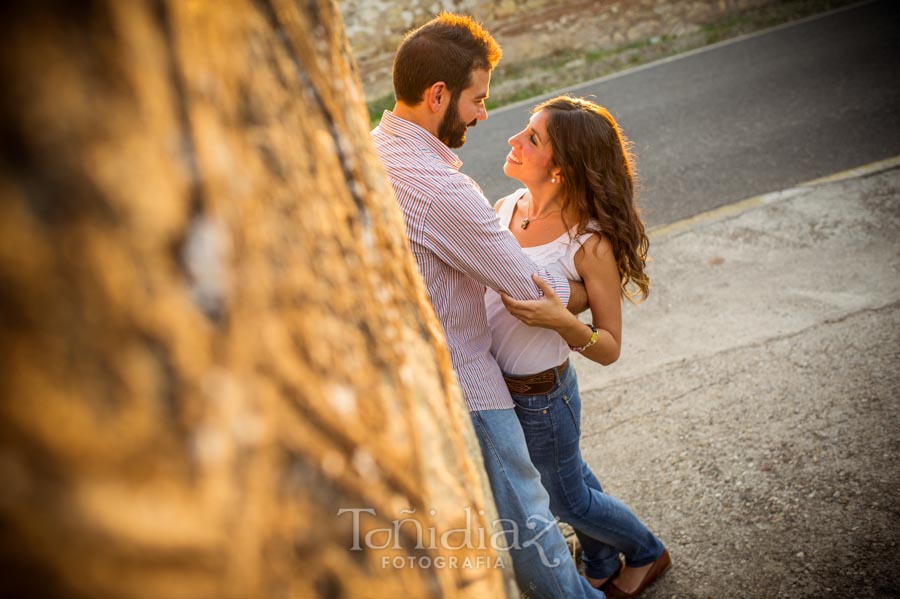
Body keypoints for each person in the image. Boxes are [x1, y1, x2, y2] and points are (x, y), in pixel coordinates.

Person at [371, 13, 605, 599]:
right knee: (531, 525)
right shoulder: (442, 188)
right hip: (468, 381)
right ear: (438, 95)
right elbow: (529, 292)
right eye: (477, 99)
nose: (482, 114)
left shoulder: (366, 151)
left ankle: (604, 552)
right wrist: (588, 292)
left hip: (404, 378)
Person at [486, 95, 670, 598]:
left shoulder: (588, 242)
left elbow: (609, 346)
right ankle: (601, 556)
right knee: (571, 483)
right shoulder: (504, 209)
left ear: (562, 167)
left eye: (532, 138)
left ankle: (649, 551)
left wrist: (562, 320)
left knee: (565, 501)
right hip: (499, 394)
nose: (514, 141)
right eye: (524, 130)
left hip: (545, 399)